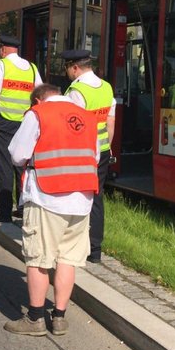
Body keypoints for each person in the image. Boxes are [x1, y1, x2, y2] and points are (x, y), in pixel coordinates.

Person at [4, 83, 98, 337]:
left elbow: (17, 154)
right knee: (68, 258)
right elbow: (95, 156)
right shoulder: (87, 116)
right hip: (82, 198)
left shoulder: (38, 114)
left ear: (37, 100)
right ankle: (59, 317)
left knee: (38, 258)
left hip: (48, 195)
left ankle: (35, 318)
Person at [61, 49, 115, 263]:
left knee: (76, 196)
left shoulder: (77, 91)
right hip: (101, 151)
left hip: (81, 153)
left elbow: (71, 126)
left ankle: (73, 244)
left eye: (67, 68)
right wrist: (106, 148)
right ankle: (95, 249)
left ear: (75, 67)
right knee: (96, 197)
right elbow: (110, 122)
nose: (67, 73)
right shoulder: (106, 87)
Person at [0, 34, 42, 223]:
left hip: (3, 122)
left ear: (3, 49)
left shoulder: (0, 66)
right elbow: (40, 94)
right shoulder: (33, 69)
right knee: (22, 165)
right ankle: (22, 208)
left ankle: (4, 212)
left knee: (4, 166)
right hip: (25, 122)